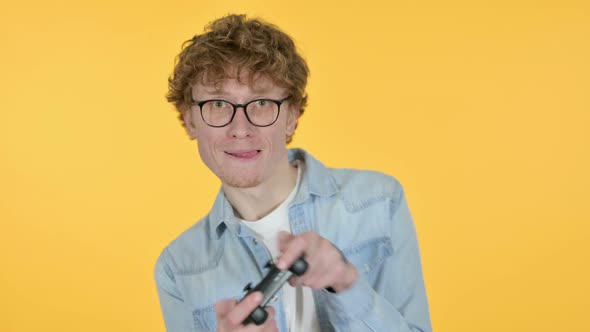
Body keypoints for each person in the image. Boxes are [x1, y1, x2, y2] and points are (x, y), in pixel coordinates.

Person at [154, 13, 432, 332]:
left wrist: (346, 284)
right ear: (190, 119)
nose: (240, 129)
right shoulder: (179, 267)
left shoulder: (379, 201)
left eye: (261, 103)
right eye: (218, 105)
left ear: (292, 117)